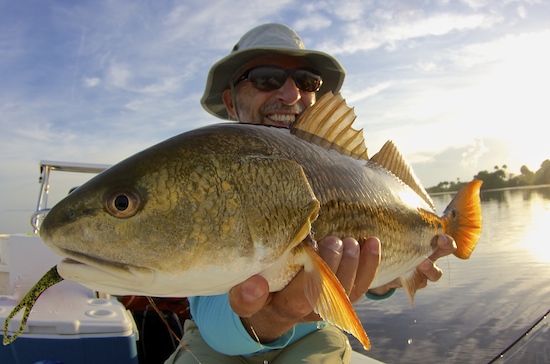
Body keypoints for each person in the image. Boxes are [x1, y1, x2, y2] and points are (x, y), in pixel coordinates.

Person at [164, 23, 457, 364]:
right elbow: (213, 318)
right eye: (266, 78)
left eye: (307, 81)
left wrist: (389, 277)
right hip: (211, 343)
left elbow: (371, 257)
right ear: (230, 101)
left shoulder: (356, 172)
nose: (291, 95)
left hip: (315, 333)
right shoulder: (206, 167)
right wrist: (275, 316)